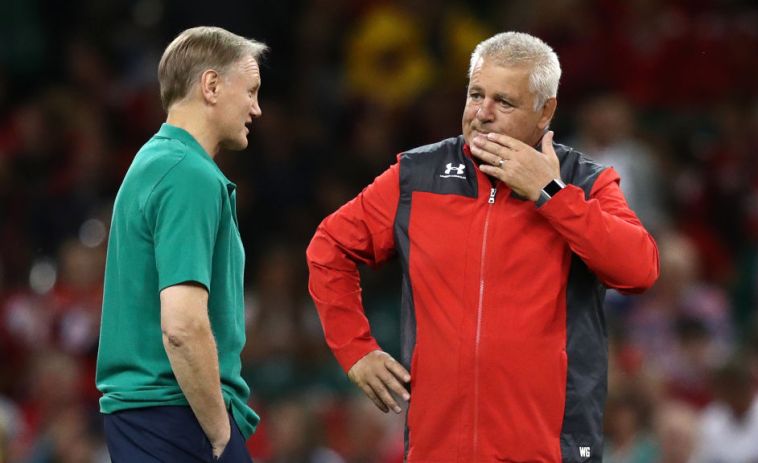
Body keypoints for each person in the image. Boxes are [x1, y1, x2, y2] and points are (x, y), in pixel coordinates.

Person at [307, 31, 659, 462]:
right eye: (476, 95)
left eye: (504, 102)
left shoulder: (584, 181)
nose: (482, 114)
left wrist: (550, 193)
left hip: (551, 450)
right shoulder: (416, 177)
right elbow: (329, 247)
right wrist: (354, 349)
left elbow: (639, 270)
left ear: (544, 111)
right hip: (437, 450)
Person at [96, 26, 267, 462]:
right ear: (211, 85)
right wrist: (220, 432)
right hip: (177, 415)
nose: (257, 108)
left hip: (150, 418)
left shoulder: (155, 161)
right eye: (250, 91)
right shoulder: (186, 174)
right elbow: (182, 326)